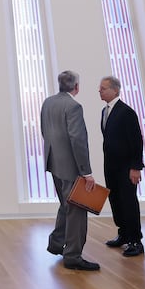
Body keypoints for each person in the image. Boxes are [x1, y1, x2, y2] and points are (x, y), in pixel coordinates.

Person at [40, 70, 100, 271]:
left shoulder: (48, 103)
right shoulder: (74, 106)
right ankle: (73, 256)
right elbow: (78, 140)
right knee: (77, 209)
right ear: (76, 87)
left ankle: (56, 244)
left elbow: (44, 131)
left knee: (66, 206)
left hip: (54, 163)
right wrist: (86, 172)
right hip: (71, 167)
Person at [99, 75, 145, 257]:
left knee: (128, 202)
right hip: (111, 166)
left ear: (115, 90)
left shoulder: (126, 112)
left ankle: (135, 240)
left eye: (103, 88)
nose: (99, 91)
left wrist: (136, 167)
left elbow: (136, 141)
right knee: (116, 201)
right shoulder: (105, 111)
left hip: (126, 168)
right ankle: (123, 234)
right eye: (100, 88)